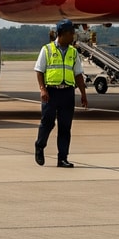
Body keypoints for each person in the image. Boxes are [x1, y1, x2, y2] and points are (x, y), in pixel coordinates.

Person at [34, 19, 88, 168]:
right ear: (63, 34)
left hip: (67, 93)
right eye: (72, 33)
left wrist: (83, 94)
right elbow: (39, 70)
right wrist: (42, 89)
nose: (73, 36)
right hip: (51, 93)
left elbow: (78, 74)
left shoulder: (73, 52)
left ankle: (62, 158)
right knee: (48, 123)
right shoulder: (47, 50)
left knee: (65, 127)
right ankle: (40, 145)